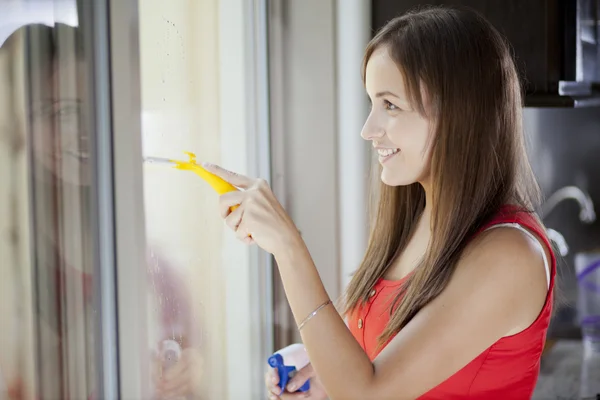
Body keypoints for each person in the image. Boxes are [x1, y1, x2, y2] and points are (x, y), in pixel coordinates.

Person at [203, 5, 556, 400]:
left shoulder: (510, 256)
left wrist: (288, 247)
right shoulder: (419, 221)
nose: (368, 129)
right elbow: (378, 373)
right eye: (372, 102)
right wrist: (324, 376)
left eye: (390, 105)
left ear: (458, 112)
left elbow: (368, 394)